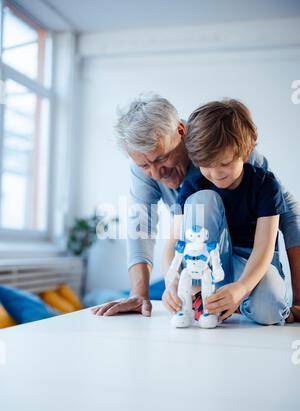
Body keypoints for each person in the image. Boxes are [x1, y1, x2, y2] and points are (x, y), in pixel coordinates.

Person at [92, 94, 300, 321]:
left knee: (268, 305)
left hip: (248, 257)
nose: (156, 173)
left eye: (163, 158)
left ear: (182, 132)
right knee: (201, 205)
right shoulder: (159, 174)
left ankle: (238, 300)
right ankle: (208, 296)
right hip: (202, 260)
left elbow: (286, 216)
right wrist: (139, 294)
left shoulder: (230, 147)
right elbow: (142, 225)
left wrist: (298, 299)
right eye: (144, 165)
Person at [163, 99, 291, 325]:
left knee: (269, 311)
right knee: (202, 199)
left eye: (225, 163)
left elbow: (264, 248)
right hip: (208, 265)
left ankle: (239, 302)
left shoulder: (265, 186)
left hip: (252, 264)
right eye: (206, 164)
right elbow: (174, 241)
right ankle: (202, 294)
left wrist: (242, 287)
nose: (215, 173)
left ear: (247, 150)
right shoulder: (194, 186)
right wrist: (170, 281)